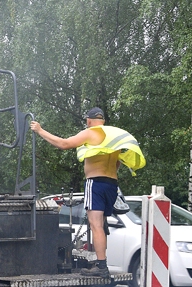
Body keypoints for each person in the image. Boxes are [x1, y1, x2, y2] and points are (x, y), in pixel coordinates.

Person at [30, 107, 145, 277]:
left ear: (89, 120)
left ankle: (101, 266)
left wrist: (40, 131)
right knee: (102, 225)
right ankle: (100, 262)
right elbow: (117, 164)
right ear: (103, 120)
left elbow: (64, 144)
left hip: (96, 182)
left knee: (96, 225)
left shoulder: (91, 133)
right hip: (111, 183)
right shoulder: (113, 138)